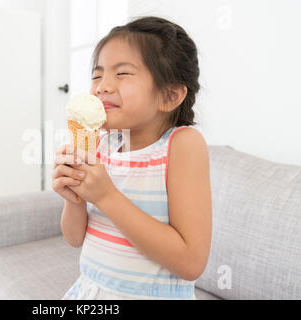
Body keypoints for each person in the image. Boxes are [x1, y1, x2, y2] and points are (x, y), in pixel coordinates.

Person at [52, 16, 212, 300]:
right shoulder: (101, 144)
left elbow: (191, 263)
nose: (102, 86)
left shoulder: (182, 146)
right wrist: (72, 197)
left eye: (122, 74)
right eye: (97, 74)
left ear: (170, 95)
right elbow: (74, 238)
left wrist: (105, 196)